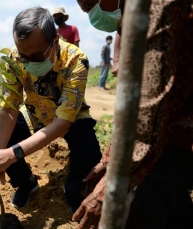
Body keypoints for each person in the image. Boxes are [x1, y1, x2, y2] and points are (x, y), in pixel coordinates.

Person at [74, 0, 193, 228]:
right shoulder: (131, 18)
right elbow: (135, 106)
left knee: (138, 199)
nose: (88, 13)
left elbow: (150, 117)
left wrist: (106, 192)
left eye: (89, 5)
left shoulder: (156, 9)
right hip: (172, 122)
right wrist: (109, 158)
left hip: (180, 130)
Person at [0, 6, 102, 214]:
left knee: (88, 150)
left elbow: (62, 123)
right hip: (34, 112)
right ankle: (26, 183)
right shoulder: (14, 61)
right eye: (23, 57)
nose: (27, 63)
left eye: (36, 57)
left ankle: (72, 188)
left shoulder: (75, 61)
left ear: (55, 42)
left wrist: (12, 153)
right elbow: (10, 107)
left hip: (70, 118)